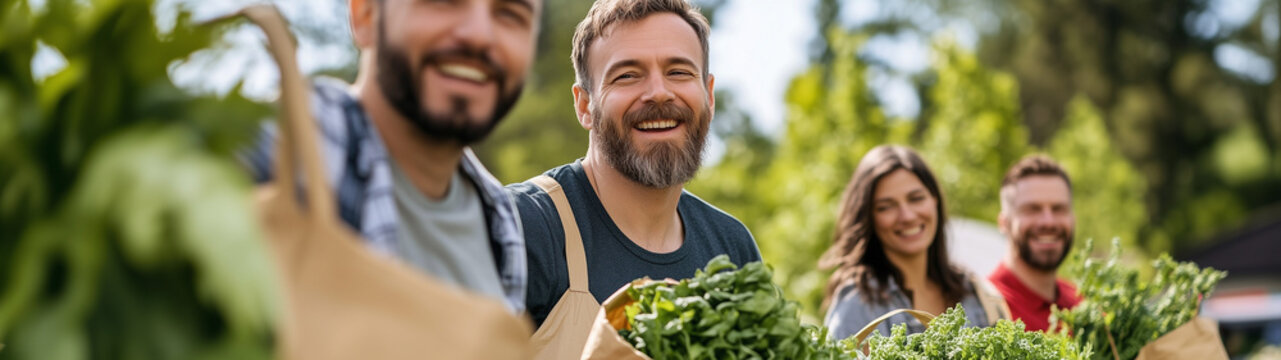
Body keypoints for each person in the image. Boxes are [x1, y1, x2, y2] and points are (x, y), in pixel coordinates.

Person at [243, 0, 543, 313]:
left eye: (510, 14)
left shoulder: (501, 222)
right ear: (365, 15)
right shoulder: (286, 151)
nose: (480, 35)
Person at [505, 0, 761, 357]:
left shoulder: (731, 248)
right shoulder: (522, 227)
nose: (659, 92)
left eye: (679, 72)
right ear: (584, 105)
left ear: (709, 95)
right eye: (627, 75)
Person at [820, 145, 1009, 341]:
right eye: (886, 207)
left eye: (916, 198)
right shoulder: (858, 306)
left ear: (934, 200)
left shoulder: (973, 293)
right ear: (868, 217)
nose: (907, 216)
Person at [987, 154, 1082, 332]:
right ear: (1004, 223)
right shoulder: (984, 311)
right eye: (1032, 209)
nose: (1048, 222)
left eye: (1058, 209)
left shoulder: (1084, 304)